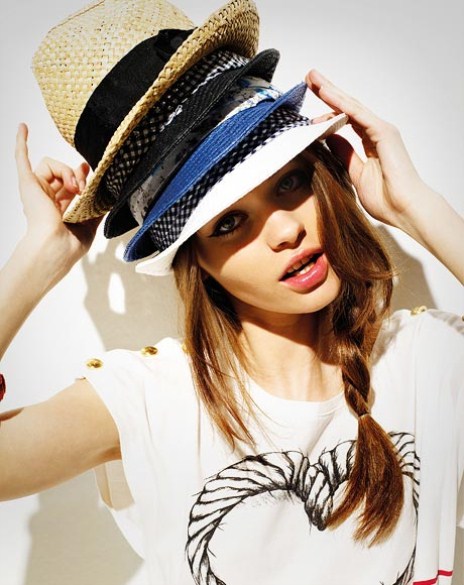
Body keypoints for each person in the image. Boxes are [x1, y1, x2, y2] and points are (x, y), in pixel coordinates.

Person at [0, 0, 463, 583]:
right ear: (194, 258)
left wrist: (418, 209)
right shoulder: (153, 399)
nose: (286, 231)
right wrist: (38, 260)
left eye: (290, 182)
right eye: (228, 222)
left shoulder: (425, 358)